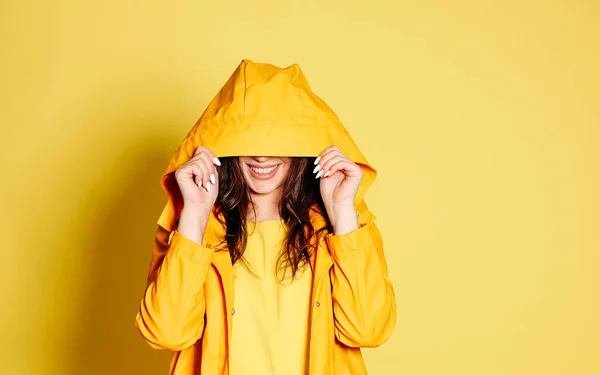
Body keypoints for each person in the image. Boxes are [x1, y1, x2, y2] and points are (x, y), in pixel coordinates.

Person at [135, 59, 396, 375]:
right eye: (246, 140)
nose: (261, 155)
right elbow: (168, 333)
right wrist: (195, 212)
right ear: (225, 145)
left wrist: (342, 209)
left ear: (302, 144)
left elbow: (368, 330)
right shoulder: (194, 229)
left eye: (276, 140)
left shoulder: (340, 227)